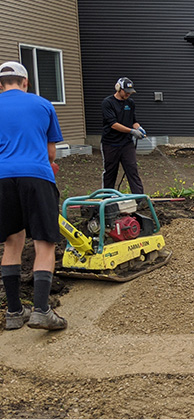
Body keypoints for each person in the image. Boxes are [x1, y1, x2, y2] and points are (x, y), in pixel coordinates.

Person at [0, 61, 67, 330]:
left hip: (2, 179)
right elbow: (51, 153)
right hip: (36, 176)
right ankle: (41, 310)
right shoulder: (42, 105)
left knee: (12, 243)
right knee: (44, 241)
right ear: (26, 82)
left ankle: (14, 312)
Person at [101, 77, 146, 194]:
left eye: (130, 92)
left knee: (132, 170)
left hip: (126, 144)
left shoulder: (130, 103)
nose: (128, 94)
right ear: (118, 88)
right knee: (110, 172)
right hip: (110, 144)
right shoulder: (108, 103)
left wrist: (139, 128)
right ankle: (107, 198)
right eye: (126, 91)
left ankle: (139, 198)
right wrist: (132, 131)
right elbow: (113, 124)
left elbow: (133, 121)